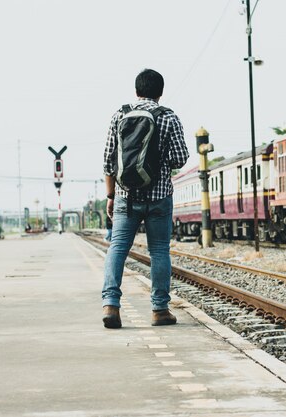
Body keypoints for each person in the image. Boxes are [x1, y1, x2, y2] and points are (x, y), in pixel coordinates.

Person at [102, 69, 189, 329]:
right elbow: (180, 158)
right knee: (159, 250)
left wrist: (110, 195)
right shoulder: (169, 117)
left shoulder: (120, 114)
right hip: (159, 197)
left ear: (136, 90)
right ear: (160, 92)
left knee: (117, 247)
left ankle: (110, 305)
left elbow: (108, 161)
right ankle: (160, 310)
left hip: (125, 196)